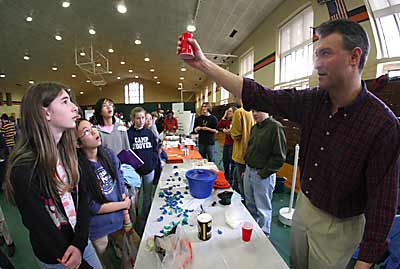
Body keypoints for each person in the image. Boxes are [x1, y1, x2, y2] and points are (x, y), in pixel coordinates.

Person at [178, 19, 400, 269]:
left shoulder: (382, 124)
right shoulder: (314, 101)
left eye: (325, 53)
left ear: (354, 57)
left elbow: (382, 202)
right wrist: (204, 64)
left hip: (339, 225)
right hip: (305, 206)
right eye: (316, 54)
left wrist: (365, 261)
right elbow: (261, 95)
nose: (316, 63)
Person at [4, 82, 101, 268]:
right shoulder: (24, 170)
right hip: (57, 256)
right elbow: (42, 229)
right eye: (65, 102)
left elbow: (83, 199)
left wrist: (80, 243)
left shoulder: (70, 154)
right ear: (45, 113)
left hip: (81, 243)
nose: (75, 108)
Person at [76, 119, 132, 268]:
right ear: (78, 143)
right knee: (105, 263)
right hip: (98, 228)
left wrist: (126, 217)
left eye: (92, 127)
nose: (94, 131)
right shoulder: (79, 169)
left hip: (118, 220)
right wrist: (124, 205)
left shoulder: (108, 154)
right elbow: (93, 207)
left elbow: (120, 184)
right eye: (86, 131)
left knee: (125, 258)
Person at [243, 110, 287, 236]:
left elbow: (279, 157)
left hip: (262, 175)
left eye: (258, 110)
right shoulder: (254, 128)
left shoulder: (276, 128)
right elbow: (250, 147)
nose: (254, 113)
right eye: (252, 111)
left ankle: (263, 236)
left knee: (263, 209)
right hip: (249, 171)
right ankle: (252, 231)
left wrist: (263, 173)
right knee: (250, 204)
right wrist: (247, 167)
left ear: (267, 109)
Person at [127, 107, 159, 234]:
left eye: (142, 118)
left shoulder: (149, 133)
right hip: (134, 172)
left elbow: (155, 150)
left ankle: (145, 218)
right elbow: (127, 152)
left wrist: (153, 162)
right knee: (134, 199)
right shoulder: (129, 134)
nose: (140, 121)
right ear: (133, 119)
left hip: (148, 170)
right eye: (138, 118)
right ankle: (134, 222)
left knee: (147, 196)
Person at [230, 103, 254, 197]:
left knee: (242, 183)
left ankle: (243, 204)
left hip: (241, 153)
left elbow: (236, 135)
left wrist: (231, 132)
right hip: (250, 153)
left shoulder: (239, 112)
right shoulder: (253, 112)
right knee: (238, 179)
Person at [217, 106, 237, 183]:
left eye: (230, 111)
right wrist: (224, 115)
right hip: (227, 143)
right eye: (227, 111)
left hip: (233, 144)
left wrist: (230, 132)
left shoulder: (236, 122)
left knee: (233, 163)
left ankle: (232, 178)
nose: (228, 112)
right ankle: (226, 176)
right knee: (225, 161)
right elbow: (219, 125)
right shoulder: (227, 121)